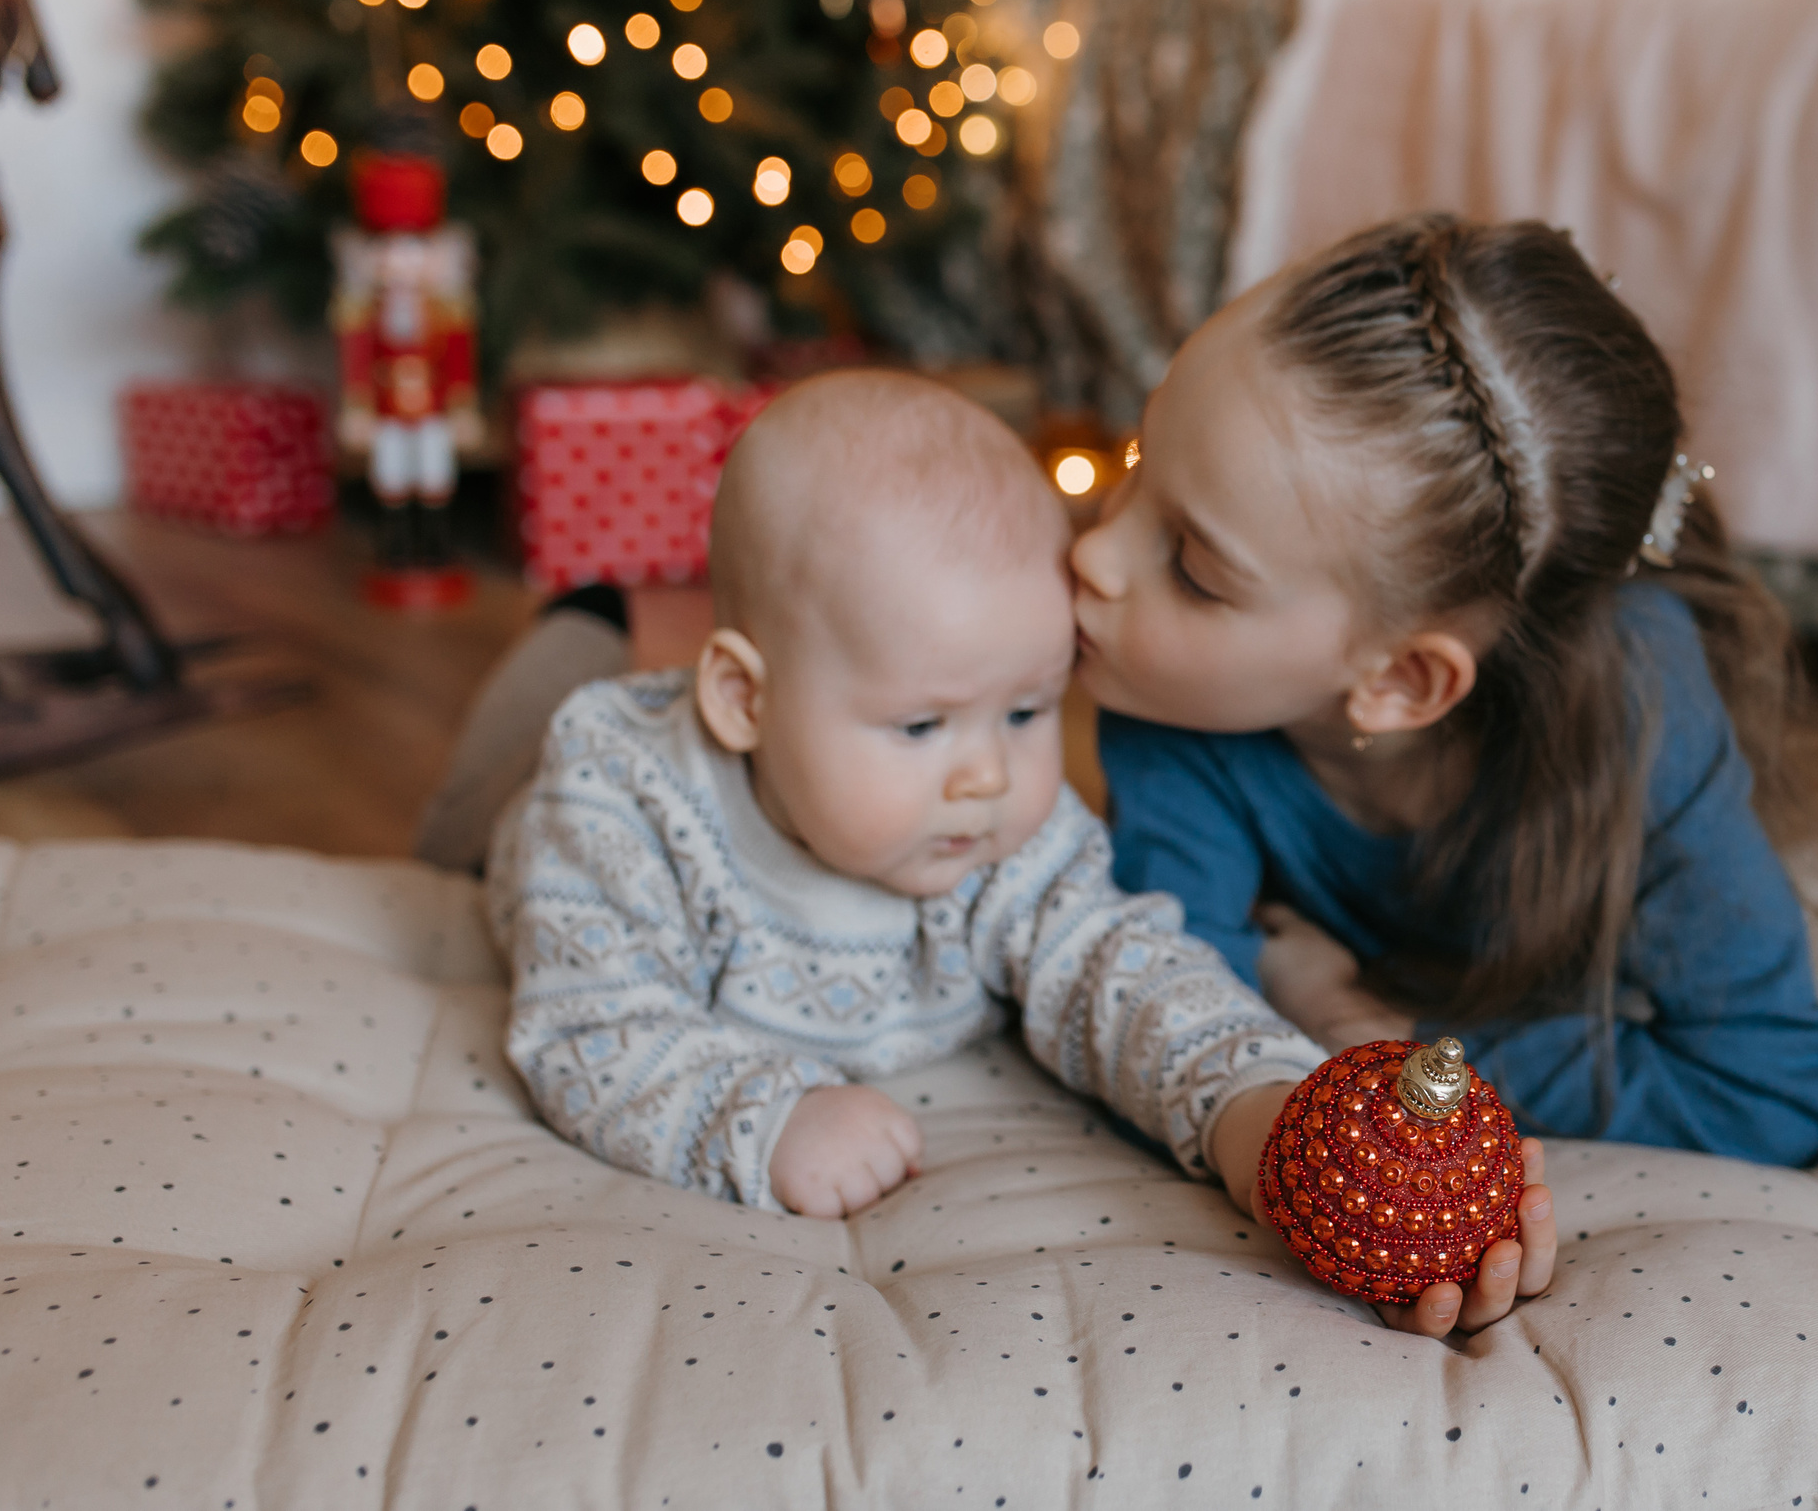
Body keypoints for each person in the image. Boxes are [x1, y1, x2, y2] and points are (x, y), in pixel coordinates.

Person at [1073, 216, 1818, 1255]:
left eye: (1192, 568)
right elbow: (1179, 1000)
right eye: (1137, 455)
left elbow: (1766, 1092)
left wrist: (1373, 1030)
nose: (1092, 554)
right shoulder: (1173, 691)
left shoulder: (1642, 724)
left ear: (1402, 681)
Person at [488, 373, 1336, 1225]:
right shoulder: (618, 805)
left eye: (1026, 710)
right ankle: (577, 632)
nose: (988, 774)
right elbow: (590, 1031)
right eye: (923, 724)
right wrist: (768, 1119)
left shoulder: (998, 832)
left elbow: (1116, 968)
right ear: (746, 699)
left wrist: (1246, 1097)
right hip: (527, 821)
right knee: (489, 787)